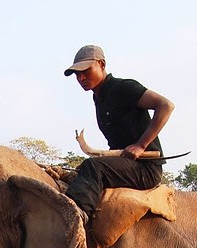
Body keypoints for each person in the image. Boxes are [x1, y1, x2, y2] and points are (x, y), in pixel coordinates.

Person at [62, 44, 174, 221]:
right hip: (125, 164)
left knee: (93, 167)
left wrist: (141, 145)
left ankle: (75, 219)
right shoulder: (98, 97)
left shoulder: (122, 88)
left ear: (102, 64)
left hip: (145, 169)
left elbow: (166, 106)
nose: (81, 77)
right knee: (83, 169)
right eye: (77, 74)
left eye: (86, 71)